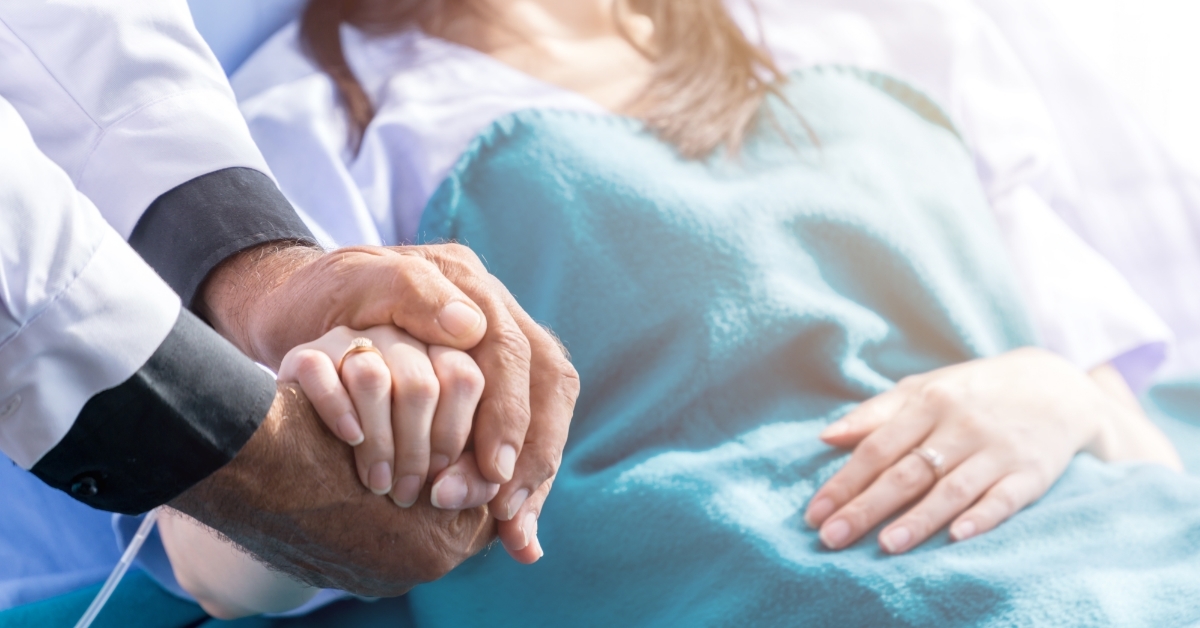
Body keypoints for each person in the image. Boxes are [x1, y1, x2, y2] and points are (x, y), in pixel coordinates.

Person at [141, 0, 1200, 624]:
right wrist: (328, 418)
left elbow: (1135, 424)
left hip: (1111, 551)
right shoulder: (302, 125)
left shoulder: (873, 24)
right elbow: (216, 565)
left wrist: (1052, 391)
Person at [0, 0, 578, 604]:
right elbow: (210, 548)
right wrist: (326, 436)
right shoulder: (339, 92)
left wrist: (267, 277)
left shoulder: (674, 54)